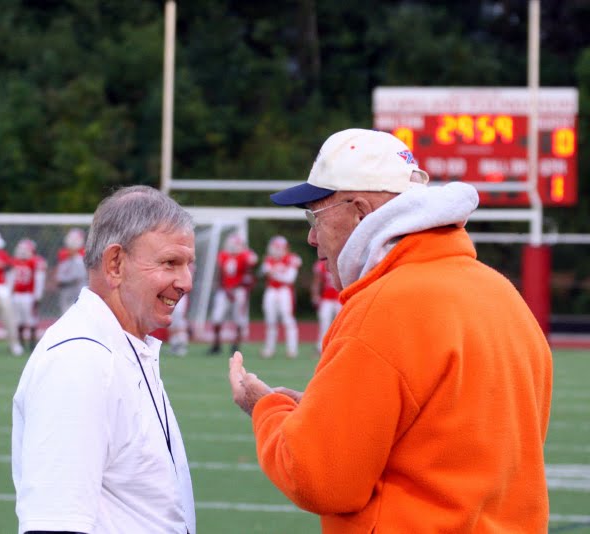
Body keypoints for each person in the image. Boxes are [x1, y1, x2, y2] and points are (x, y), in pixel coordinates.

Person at [228, 128, 552, 532]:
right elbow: (443, 433)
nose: (312, 237)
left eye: (315, 215)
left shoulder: (383, 305)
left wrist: (266, 408)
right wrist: (322, 412)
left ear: (361, 211)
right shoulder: (501, 293)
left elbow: (320, 480)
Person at [12, 185, 196, 534]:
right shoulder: (80, 361)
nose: (185, 282)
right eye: (170, 263)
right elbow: (55, 526)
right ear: (115, 264)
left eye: (189, 264)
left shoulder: (120, 345)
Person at [207, 232, 258, 355]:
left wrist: (238, 288)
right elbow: (220, 274)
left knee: (239, 319)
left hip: (239, 290)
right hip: (224, 290)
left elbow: (249, 272)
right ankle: (216, 344)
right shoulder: (223, 255)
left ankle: (236, 344)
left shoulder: (245, 255)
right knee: (217, 317)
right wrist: (224, 288)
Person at [259, 235, 301, 358]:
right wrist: (275, 274)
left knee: (288, 319)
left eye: (277, 248)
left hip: (284, 291)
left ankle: (292, 349)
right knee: (270, 320)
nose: (274, 250)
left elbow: (290, 279)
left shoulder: (292, 258)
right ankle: (269, 348)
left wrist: (273, 273)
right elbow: (265, 271)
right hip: (271, 290)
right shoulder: (269, 259)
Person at [11, 238, 47, 351]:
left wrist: (37, 296)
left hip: (28, 295)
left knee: (31, 319)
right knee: (18, 320)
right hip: (17, 294)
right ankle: (20, 343)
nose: (22, 251)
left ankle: (32, 343)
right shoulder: (15, 261)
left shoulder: (35, 262)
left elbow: (39, 280)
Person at [52, 227, 87, 316]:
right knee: (65, 312)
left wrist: (64, 281)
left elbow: (78, 278)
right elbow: (59, 276)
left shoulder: (80, 259)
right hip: (65, 291)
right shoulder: (64, 259)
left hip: (76, 290)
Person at [310, 258, 341, 353]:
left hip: (340, 298)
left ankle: (339, 347)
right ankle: (321, 347)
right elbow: (317, 281)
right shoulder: (321, 264)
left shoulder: (342, 260)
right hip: (326, 298)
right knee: (324, 323)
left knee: (341, 324)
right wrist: (315, 295)